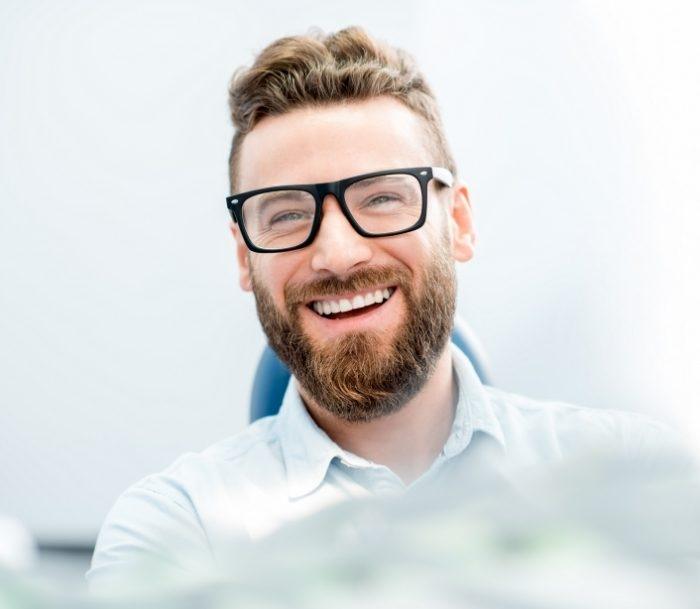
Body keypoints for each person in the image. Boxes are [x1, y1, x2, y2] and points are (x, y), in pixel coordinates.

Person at [86, 26, 677, 590]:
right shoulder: (177, 532)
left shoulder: (636, 478)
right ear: (245, 259)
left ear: (460, 223)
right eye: (288, 214)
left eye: (384, 198)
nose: (338, 255)